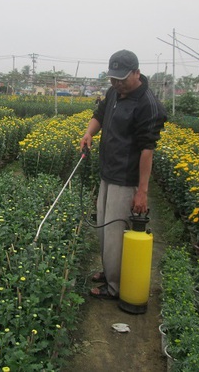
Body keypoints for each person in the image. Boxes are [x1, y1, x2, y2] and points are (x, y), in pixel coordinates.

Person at [80, 49, 167, 300]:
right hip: (107, 171)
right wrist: (89, 133)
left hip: (126, 178)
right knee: (103, 229)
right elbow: (99, 115)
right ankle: (109, 272)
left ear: (137, 73)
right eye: (113, 79)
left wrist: (142, 191)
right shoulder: (115, 92)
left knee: (117, 233)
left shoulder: (147, 104)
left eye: (122, 79)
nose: (117, 84)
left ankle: (115, 286)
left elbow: (146, 150)